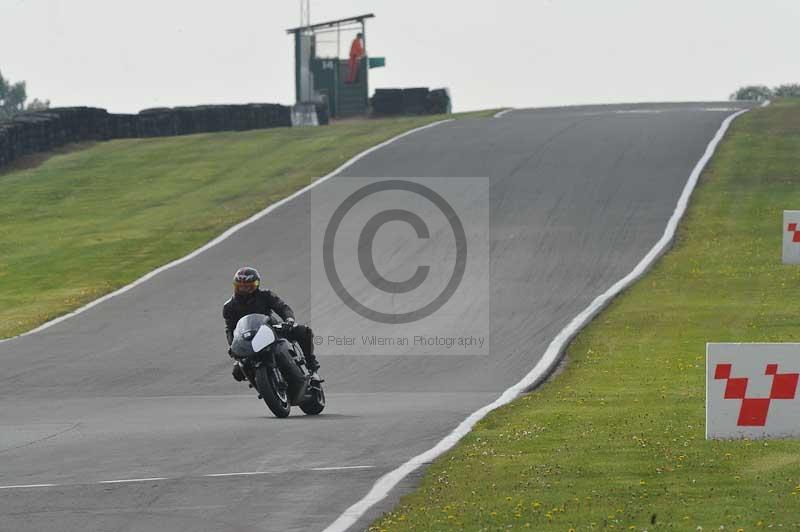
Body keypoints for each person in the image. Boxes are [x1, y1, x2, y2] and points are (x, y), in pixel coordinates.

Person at [223, 266, 320, 383]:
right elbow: (230, 328)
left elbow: (282, 307)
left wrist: (289, 320)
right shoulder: (229, 306)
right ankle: (262, 384)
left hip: (272, 329)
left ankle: (312, 369)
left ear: (256, 285)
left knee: (304, 332)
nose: (244, 289)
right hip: (249, 340)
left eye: (248, 286)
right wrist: (232, 345)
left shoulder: (266, 295)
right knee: (238, 371)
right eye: (241, 286)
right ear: (236, 286)